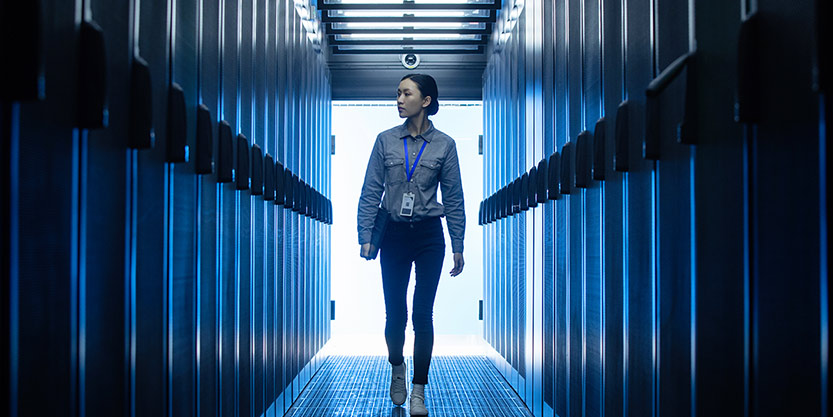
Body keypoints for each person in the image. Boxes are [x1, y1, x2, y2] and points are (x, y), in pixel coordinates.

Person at [357, 73, 466, 416]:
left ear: (426, 100)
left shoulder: (445, 145)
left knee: (422, 314)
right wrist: (364, 236)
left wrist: (458, 244)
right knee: (396, 313)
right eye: (398, 93)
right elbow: (371, 190)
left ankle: (419, 389)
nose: (399, 99)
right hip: (394, 235)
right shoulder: (385, 141)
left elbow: (454, 197)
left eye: (406, 93)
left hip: (429, 234)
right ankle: (396, 367)